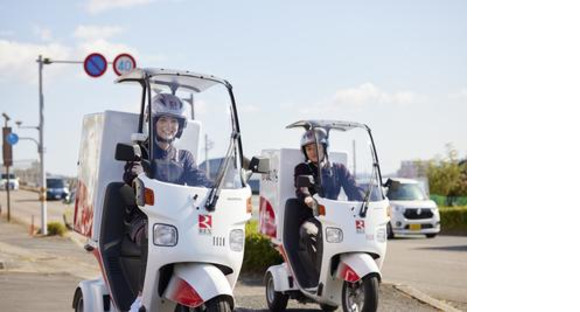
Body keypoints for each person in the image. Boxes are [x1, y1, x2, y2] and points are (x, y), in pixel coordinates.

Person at [123, 93, 211, 311]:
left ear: (180, 126)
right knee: (150, 235)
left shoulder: (184, 157)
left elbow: (200, 180)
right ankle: (141, 297)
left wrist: (219, 186)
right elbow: (133, 173)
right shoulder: (140, 150)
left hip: (176, 218)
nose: (168, 126)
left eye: (174, 121)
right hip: (142, 216)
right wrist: (138, 175)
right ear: (153, 123)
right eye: (163, 120)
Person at [294, 128, 363, 281]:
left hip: (337, 217)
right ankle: (320, 275)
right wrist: (307, 198)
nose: (312, 152)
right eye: (309, 148)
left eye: (316, 148)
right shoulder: (302, 169)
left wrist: (367, 199)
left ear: (324, 148)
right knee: (308, 231)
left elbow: (354, 189)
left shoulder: (338, 169)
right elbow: (301, 188)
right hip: (314, 217)